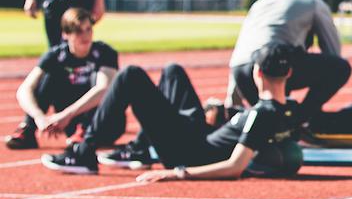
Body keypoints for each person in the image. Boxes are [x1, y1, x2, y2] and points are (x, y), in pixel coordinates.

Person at [41, 42, 303, 179]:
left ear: (257, 72)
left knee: (131, 76)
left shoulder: (261, 114)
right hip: (199, 135)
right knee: (172, 71)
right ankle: (141, 148)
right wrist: (230, 116)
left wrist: (180, 173)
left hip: (190, 153)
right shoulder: (286, 109)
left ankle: (85, 152)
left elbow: (234, 166)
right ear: (289, 73)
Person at [228, 0, 351, 125]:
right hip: (273, 66)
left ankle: (280, 123)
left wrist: (233, 99)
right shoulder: (312, 1)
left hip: (241, 72)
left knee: (270, 122)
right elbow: (333, 51)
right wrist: (311, 107)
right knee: (341, 68)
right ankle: (299, 120)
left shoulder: (260, 3)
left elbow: (241, 50)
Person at [5, 7, 119, 150]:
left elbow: (103, 89)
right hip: (70, 121)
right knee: (49, 76)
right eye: (78, 31)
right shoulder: (56, 55)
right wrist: (39, 117)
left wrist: (66, 115)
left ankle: (84, 130)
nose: (85, 35)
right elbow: (24, 90)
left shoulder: (105, 53)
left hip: (104, 122)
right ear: (66, 34)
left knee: (98, 78)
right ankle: (28, 129)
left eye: (88, 29)